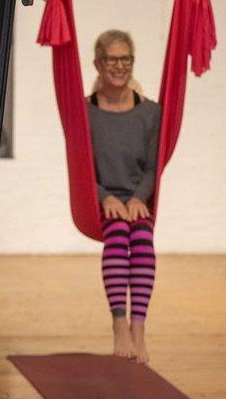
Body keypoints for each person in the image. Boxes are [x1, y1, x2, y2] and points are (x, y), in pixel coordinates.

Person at [87, 30, 161, 364]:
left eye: (125, 58)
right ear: (98, 64)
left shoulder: (150, 113)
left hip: (137, 199)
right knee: (117, 235)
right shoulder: (84, 113)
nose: (119, 66)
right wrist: (104, 197)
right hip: (99, 199)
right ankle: (119, 323)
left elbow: (153, 165)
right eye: (112, 59)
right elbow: (81, 168)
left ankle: (139, 329)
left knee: (142, 237)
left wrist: (139, 197)